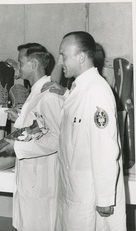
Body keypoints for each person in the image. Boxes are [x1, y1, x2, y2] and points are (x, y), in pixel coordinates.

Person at [42, 31, 127, 231]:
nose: (60, 61)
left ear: (81, 57)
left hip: (88, 196)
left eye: (64, 55)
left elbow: (105, 148)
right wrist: (64, 94)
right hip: (73, 191)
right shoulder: (79, 88)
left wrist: (105, 197)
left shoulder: (97, 91)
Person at [0, 43, 64, 231]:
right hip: (32, 177)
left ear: (33, 64)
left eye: (21, 62)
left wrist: (17, 147)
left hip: (42, 179)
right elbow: (38, 127)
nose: (18, 67)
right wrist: (19, 118)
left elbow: (56, 138)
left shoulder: (49, 95)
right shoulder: (35, 92)